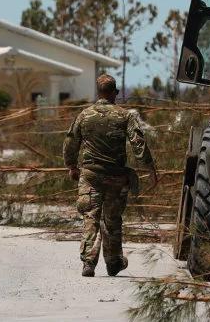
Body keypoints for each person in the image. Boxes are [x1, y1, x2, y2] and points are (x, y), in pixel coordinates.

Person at [63, 73, 158, 277]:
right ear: (115, 93)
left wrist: (71, 166)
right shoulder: (125, 116)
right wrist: (150, 169)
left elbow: (70, 142)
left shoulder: (85, 115)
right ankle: (113, 262)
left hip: (90, 176)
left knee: (91, 217)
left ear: (99, 93)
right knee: (112, 219)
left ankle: (88, 263)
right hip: (115, 177)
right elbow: (138, 144)